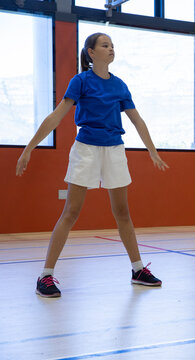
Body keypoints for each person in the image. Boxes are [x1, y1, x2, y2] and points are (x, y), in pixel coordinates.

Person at [16, 32, 169, 297]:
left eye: (113, 45)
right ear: (91, 52)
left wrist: (152, 151)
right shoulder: (81, 81)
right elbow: (56, 117)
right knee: (71, 212)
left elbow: (137, 120)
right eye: (105, 45)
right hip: (86, 149)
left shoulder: (120, 85)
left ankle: (137, 269)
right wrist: (29, 148)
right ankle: (46, 276)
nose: (111, 49)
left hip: (114, 150)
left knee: (122, 213)